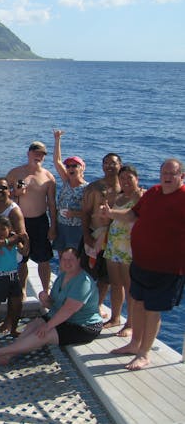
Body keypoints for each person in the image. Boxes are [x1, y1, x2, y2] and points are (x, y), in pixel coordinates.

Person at [103, 158, 184, 371]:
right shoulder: (154, 193)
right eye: (164, 172)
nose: (167, 176)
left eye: (172, 173)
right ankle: (134, 344)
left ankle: (144, 354)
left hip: (166, 268)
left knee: (152, 309)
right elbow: (132, 214)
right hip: (140, 262)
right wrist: (112, 214)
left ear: (181, 177)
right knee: (136, 304)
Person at [0, 247, 103, 366]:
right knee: (33, 325)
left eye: (71, 259)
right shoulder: (63, 276)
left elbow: (68, 310)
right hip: (67, 319)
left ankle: (1, 352)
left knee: (44, 334)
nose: (67, 263)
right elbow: (55, 305)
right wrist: (46, 301)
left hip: (84, 326)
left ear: (78, 260)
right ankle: (7, 356)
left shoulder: (83, 282)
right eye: (64, 259)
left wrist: (48, 326)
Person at [7, 140, 57, 295]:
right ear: (28, 154)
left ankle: (45, 291)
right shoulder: (15, 173)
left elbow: (52, 204)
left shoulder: (49, 177)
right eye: (35, 153)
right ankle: (21, 290)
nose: (38, 156)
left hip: (40, 221)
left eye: (41, 154)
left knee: (44, 259)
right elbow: (1, 194)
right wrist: (15, 193)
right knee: (22, 259)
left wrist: (53, 226)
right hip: (20, 222)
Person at [103, 165, 143, 335]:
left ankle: (130, 324)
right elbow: (109, 220)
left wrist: (110, 212)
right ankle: (115, 317)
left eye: (130, 178)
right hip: (113, 246)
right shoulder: (117, 198)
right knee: (115, 284)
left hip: (130, 248)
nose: (126, 181)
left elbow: (133, 216)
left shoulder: (141, 197)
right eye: (123, 178)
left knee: (130, 287)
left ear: (137, 179)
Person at [81, 152, 122, 317]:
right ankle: (82, 304)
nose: (109, 166)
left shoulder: (125, 188)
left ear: (120, 165)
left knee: (106, 278)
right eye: (106, 163)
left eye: (113, 163)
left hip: (114, 240)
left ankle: (97, 305)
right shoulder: (94, 187)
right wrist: (86, 235)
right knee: (86, 274)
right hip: (94, 235)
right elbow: (85, 213)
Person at [0, 217, 28, 346]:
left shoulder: (14, 242)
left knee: (17, 304)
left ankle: (13, 329)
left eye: (3, 229)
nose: (0, 232)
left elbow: (24, 252)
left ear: (10, 230)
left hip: (13, 275)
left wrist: (27, 241)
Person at [52, 130, 88, 252]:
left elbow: (91, 213)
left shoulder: (87, 189)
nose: (70, 168)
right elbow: (57, 161)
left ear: (82, 168)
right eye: (68, 166)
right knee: (63, 258)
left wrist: (74, 214)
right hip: (61, 226)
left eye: (74, 166)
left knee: (76, 260)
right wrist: (57, 139)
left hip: (77, 229)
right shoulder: (66, 182)